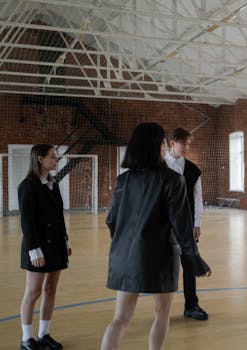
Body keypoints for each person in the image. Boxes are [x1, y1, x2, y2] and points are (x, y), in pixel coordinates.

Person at [101, 123, 210, 350]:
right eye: (162, 142)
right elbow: (182, 227)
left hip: (125, 255)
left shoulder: (123, 180)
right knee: (162, 313)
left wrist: (125, 246)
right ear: (156, 146)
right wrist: (196, 261)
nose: (164, 146)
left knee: (120, 319)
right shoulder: (172, 179)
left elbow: (111, 221)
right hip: (159, 257)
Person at [18, 144, 72, 350]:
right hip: (37, 248)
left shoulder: (53, 183)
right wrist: (34, 250)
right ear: (39, 159)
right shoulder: (27, 186)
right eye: (52, 156)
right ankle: (26, 339)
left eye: (55, 157)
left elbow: (59, 216)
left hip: (55, 245)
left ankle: (44, 334)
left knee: (50, 289)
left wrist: (65, 240)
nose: (55, 160)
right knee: (32, 293)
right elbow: (27, 223)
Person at [165, 128, 208, 321]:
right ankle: (162, 309)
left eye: (189, 144)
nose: (187, 148)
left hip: (187, 226)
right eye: (184, 144)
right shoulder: (159, 165)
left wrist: (197, 223)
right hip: (163, 227)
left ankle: (191, 305)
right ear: (172, 142)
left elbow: (198, 199)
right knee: (165, 267)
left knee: (189, 265)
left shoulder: (192, 170)